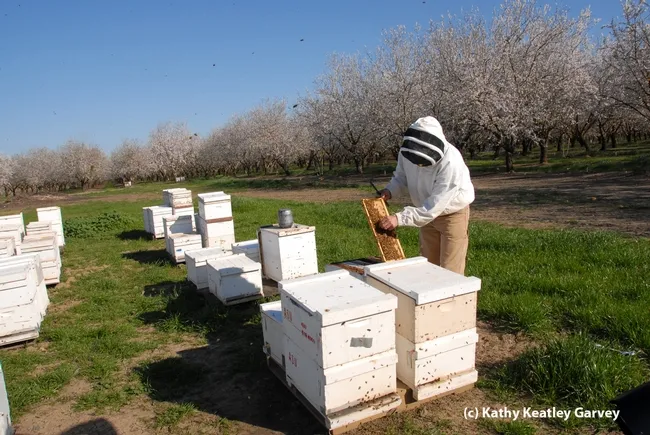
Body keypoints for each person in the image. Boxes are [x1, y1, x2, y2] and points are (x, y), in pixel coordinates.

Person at [378, 116, 475, 275]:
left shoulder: (451, 162)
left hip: (451, 214)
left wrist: (399, 218)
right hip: (424, 212)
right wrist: (389, 191)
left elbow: (435, 206)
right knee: (429, 267)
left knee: (451, 271)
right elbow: (401, 177)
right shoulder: (407, 152)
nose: (418, 165)